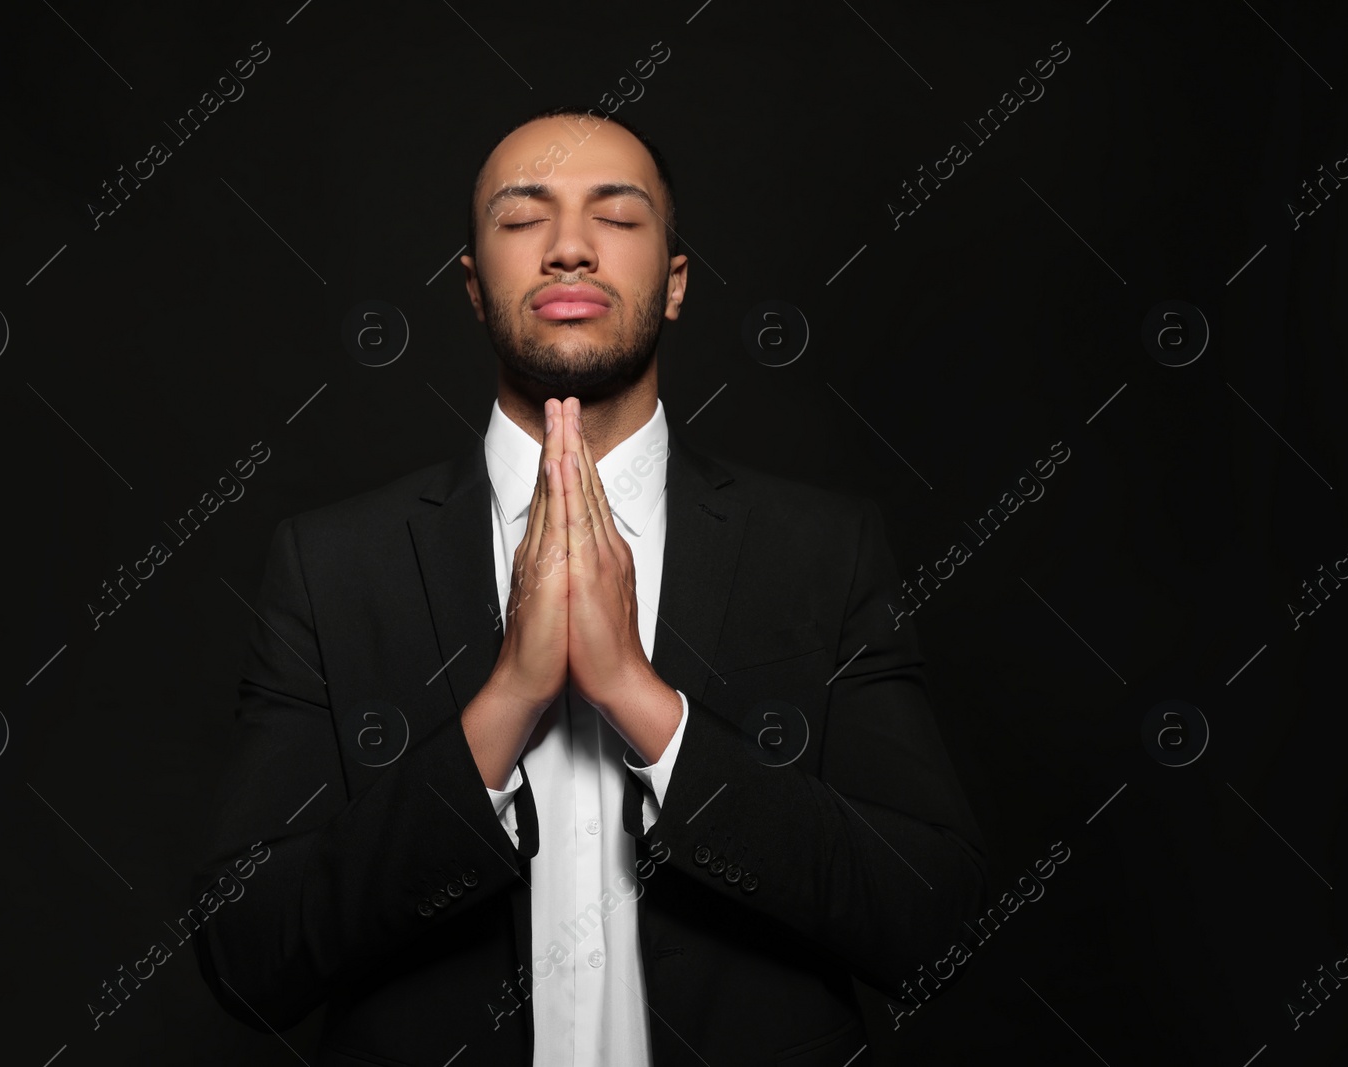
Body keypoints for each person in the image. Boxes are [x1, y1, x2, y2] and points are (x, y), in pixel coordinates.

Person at [190, 105, 988, 1066]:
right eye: (524, 219)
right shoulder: (331, 565)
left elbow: (936, 923)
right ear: (475, 289)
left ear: (676, 282)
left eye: (615, 216)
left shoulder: (823, 549)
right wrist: (508, 703)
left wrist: (644, 705)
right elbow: (248, 956)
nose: (569, 248)